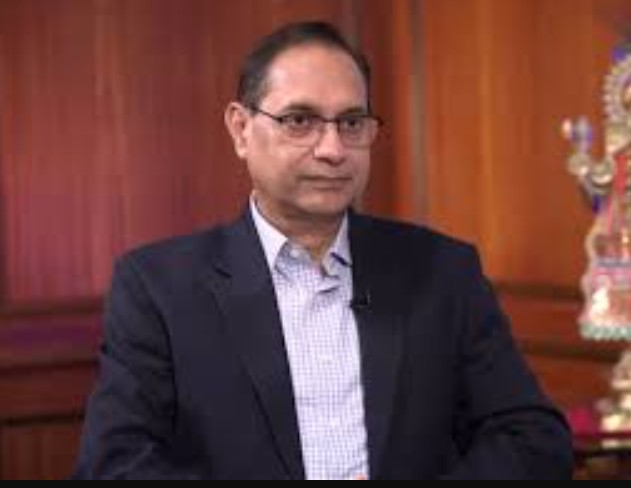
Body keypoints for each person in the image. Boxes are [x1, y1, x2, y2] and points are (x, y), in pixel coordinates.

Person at [74, 21, 573, 480]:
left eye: (351, 123)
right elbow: (113, 464)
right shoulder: (159, 288)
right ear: (241, 129)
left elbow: (533, 439)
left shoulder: (442, 272)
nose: (333, 149)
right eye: (300, 120)